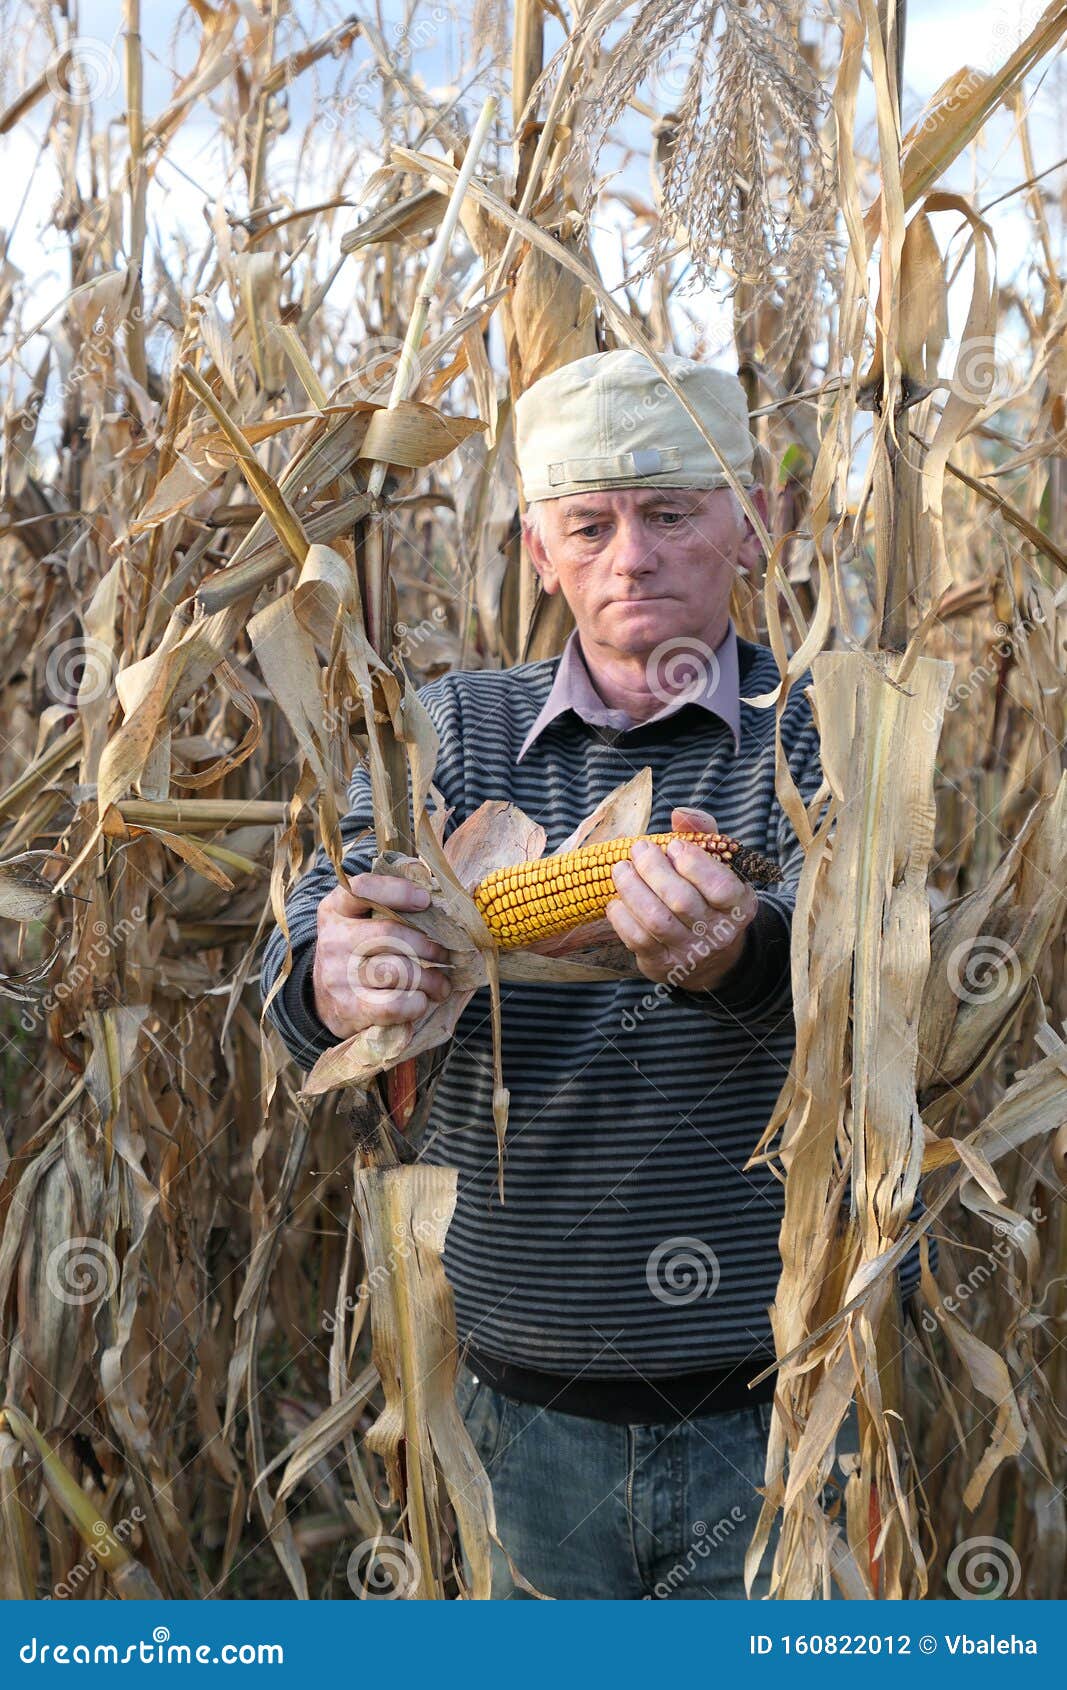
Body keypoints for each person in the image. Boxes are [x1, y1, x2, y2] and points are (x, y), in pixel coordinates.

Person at [260, 349, 928, 1599]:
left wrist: (739, 954)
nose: (631, 556)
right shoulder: (453, 729)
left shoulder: (834, 724)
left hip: (781, 1410)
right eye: (590, 523)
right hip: (518, 1419)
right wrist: (337, 976)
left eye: (670, 512)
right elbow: (301, 957)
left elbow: (887, 988)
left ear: (750, 521)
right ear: (538, 548)